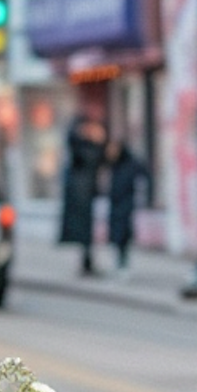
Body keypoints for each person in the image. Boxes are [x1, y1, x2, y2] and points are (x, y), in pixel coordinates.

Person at [59, 111, 106, 277]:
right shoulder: (80, 144)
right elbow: (92, 158)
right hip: (81, 194)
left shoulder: (80, 143)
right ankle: (86, 263)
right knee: (84, 231)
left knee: (86, 232)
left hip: (85, 192)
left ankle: (87, 262)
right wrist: (97, 143)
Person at [105, 134, 151, 268]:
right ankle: (120, 260)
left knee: (123, 231)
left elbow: (145, 176)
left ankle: (122, 261)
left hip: (126, 202)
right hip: (115, 202)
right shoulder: (113, 164)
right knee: (117, 232)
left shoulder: (131, 163)